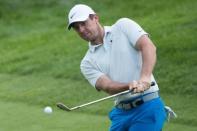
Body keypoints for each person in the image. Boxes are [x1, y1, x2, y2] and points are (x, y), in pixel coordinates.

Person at [67, 4, 167, 131]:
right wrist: (129, 85)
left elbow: (148, 46)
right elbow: (108, 86)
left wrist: (145, 78)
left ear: (95, 18)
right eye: (76, 27)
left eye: (83, 23)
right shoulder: (87, 62)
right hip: (121, 114)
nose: (81, 30)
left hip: (147, 107)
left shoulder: (123, 26)